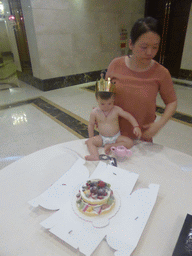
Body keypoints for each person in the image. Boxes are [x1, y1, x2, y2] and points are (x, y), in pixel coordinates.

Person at [105, 17, 177, 142]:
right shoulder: (115, 64)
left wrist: (159, 125)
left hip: (142, 137)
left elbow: (172, 102)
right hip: (113, 133)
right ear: (131, 44)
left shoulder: (161, 73)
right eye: (144, 47)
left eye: (155, 47)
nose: (150, 52)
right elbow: (105, 92)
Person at [85, 82, 142, 161]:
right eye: (102, 104)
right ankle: (95, 155)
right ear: (96, 99)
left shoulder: (116, 109)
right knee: (89, 142)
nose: (106, 107)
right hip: (102, 138)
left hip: (116, 137)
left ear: (113, 99)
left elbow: (128, 116)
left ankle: (112, 145)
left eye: (109, 103)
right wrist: (91, 138)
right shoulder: (94, 112)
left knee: (130, 142)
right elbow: (91, 125)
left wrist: (136, 126)